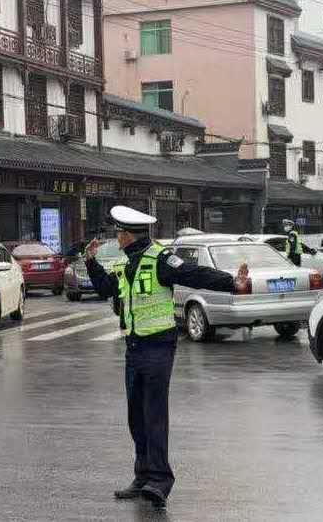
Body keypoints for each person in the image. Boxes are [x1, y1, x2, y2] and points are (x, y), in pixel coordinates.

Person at [83, 205, 250, 509]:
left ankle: (160, 481)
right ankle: (142, 476)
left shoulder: (159, 259)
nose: (116, 238)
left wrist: (231, 283)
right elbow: (107, 289)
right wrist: (91, 262)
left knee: (154, 414)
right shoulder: (127, 263)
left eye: (118, 233)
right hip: (134, 347)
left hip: (159, 346)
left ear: (126, 235)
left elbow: (193, 273)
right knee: (136, 416)